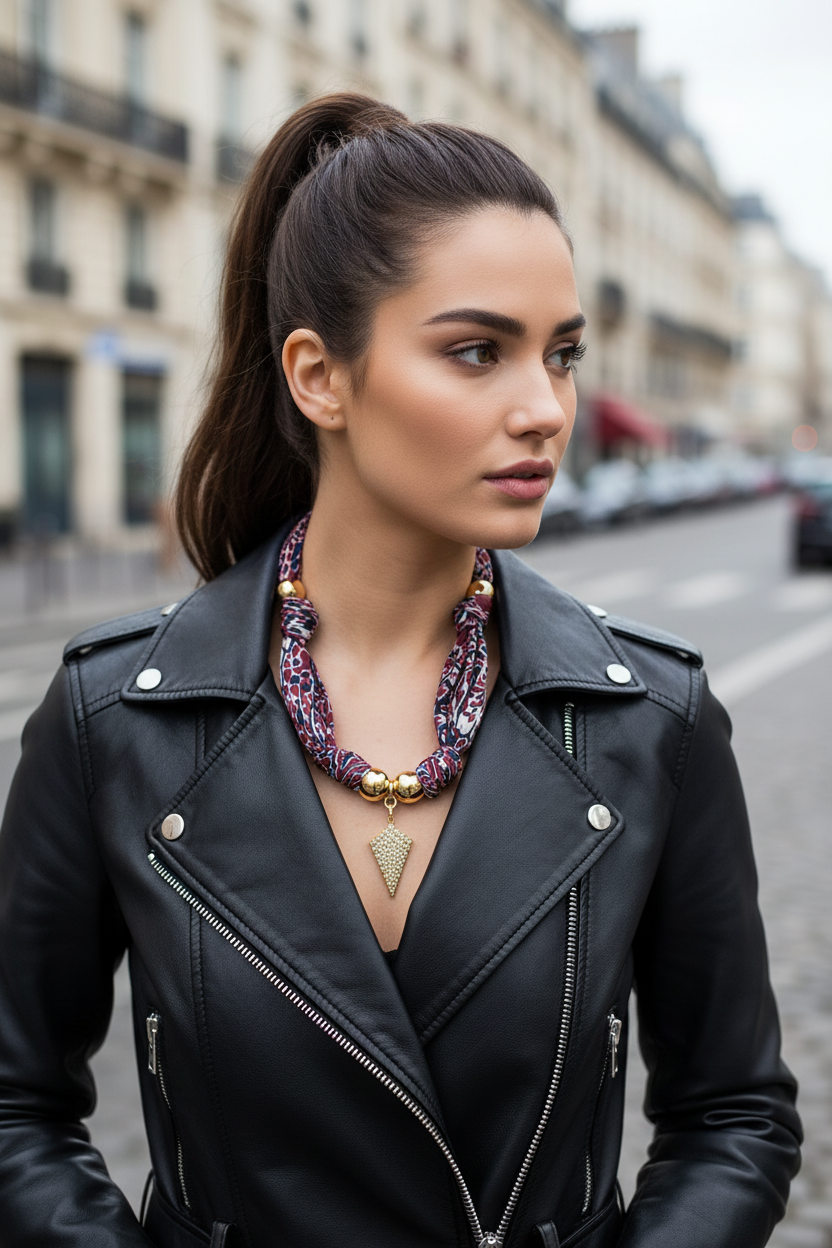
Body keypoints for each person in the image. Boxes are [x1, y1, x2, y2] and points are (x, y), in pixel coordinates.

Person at [0, 94, 800, 1248]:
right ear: (320, 377)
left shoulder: (651, 717)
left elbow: (731, 1113)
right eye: (476, 351)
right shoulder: (115, 717)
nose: (544, 409)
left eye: (561, 354)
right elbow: (17, 1103)